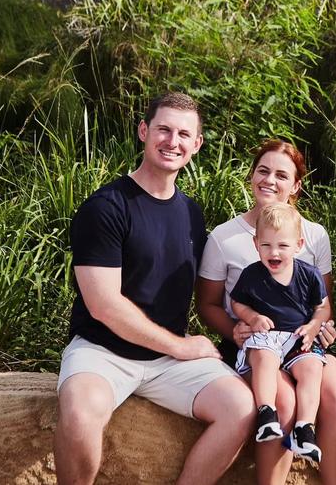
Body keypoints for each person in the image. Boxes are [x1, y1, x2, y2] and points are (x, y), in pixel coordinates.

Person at [53, 92, 255, 485]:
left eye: (184, 134)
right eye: (163, 129)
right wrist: (180, 346)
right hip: (103, 350)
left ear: (196, 145)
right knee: (80, 412)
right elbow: (104, 305)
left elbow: (218, 290)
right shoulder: (107, 207)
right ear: (144, 131)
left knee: (241, 407)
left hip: (167, 363)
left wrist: (257, 321)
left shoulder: (191, 214)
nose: (172, 141)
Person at [197, 139, 336, 485]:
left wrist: (322, 327)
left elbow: (322, 302)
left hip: (302, 343)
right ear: (252, 176)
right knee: (283, 400)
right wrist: (235, 327)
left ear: (296, 185)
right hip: (255, 344)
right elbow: (206, 304)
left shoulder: (313, 236)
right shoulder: (224, 238)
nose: (270, 180)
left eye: (281, 175)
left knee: (334, 395)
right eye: (263, 171)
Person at [231, 203, 330, 463]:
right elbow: (236, 303)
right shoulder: (251, 275)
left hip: (298, 337)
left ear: (298, 245)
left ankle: (304, 429)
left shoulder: (308, 275)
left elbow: (323, 307)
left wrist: (314, 325)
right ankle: (266, 413)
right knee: (264, 358)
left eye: (282, 246)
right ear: (256, 244)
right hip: (267, 336)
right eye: (266, 245)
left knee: (312, 369)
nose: (274, 252)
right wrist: (251, 317)